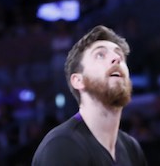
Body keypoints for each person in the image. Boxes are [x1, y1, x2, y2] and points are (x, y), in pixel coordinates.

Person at [32, 25, 147, 165]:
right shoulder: (62, 146)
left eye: (120, 56)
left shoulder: (131, 148)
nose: (116, 58)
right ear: (78, 81)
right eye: (100, 55)